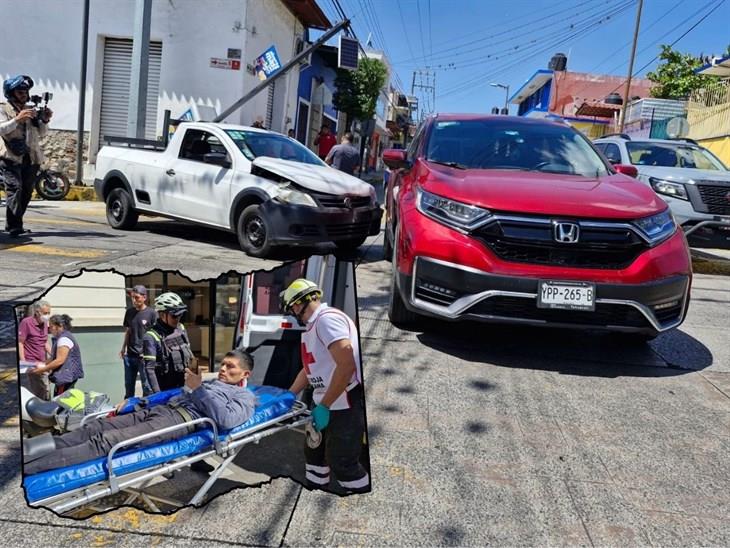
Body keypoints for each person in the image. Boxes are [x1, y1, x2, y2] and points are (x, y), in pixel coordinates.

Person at [24, 350, 256, 475]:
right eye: (223, 364)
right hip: (158, 411)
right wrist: (139, 403)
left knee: (105, 442)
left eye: (231, 366)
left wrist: (198, 390)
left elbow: (226, 421)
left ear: (245, 375)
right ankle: (28, 451)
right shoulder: (213, 383)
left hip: (176, 421)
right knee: (95, 426)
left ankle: (30, 467)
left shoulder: (245, 398)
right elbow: (177, 394)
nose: (223, 369)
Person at [282, 279, 369, 494]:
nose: (293, 313)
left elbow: (346, 365)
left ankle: (361, 497)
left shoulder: (326, 321)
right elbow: (309, 368)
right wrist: (290, 395)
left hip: (344, 403)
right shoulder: (314, 325)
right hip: (324, 401)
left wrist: (325, 406)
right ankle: (314, 489)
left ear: (297, 304)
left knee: (342, 462)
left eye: (292, 308)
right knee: (314, 454)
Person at [0, 75, 53, 237]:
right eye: (20, 91)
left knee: (26, 191)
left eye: (25, 91)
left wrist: (45, 119)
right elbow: (1, 129)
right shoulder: (3, 108)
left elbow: (43, 133)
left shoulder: (31, 109)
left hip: (30, 157)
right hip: (10, 156)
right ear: (11, 93)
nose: (24, 94)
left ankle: (13, 224)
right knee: (15, 189)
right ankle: (16, 226)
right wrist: (17, 119)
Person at [143, 292, 194, 393]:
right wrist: (159, 396)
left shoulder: (181, 328)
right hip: (165, 391)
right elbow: (150, 369)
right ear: (162, 314)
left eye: (180, 315)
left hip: (184, 388)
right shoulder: (151, 336)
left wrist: (194, 379)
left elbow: (190, 356)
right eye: (174, 316)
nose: (178, 319)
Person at [30, 314, 84, 397]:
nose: (49, 329)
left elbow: (59, 360)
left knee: (61, 401)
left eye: (51, 326)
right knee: (62, 400)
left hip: (65, 377)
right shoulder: (62, 337)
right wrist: (42, 364)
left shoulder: (63, 339)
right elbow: (53, 358)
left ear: (59, 326)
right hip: (66, 376)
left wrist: (42, 369)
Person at [120, 285, 157, 399]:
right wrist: (123, 348)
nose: (134, 300)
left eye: (136, 297)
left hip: (144, 357)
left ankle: (146, 411)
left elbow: (155, 335)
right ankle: (128, 412)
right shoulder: (129, 312)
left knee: (147, 387)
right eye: (132, 297)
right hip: (130, 356)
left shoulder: (151, 313)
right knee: (129, 387)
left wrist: (149, 352)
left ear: (144, 297)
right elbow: (128, 331)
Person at [18, 300, 52, 400]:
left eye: (49, 313)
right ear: (37, 312)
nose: (47, 316)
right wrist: (23, 361)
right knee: (41, 389)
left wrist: (54, 355)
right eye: (45, 313)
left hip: (43, 361)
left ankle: (43, 408)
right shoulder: (26, 322)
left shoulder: (45, 323)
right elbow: (20, 342)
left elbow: (44, 342)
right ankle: (39, 411)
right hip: (32, 363)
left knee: (45, 389)